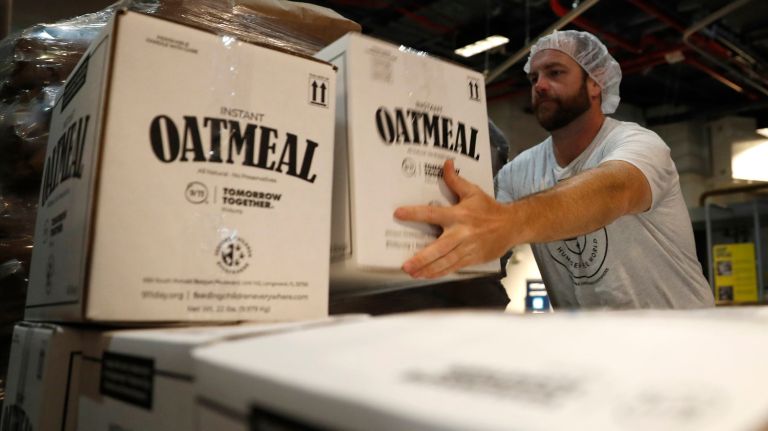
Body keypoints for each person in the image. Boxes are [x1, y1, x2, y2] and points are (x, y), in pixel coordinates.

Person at [394, 30, 714, 309]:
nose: (540, 85)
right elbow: (486, 246)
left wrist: (508, 221)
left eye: (555, 73)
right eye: (534, 78)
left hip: (681, 344)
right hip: (593, 354)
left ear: (594, 84)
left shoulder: (639, 144)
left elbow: (615, 189)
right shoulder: (519, 173)